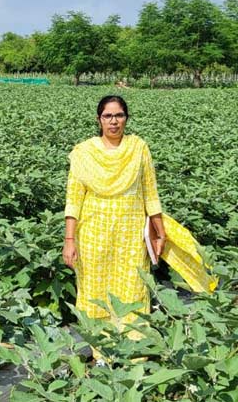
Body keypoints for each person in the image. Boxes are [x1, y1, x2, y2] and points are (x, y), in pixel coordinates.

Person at [62, 95, 216, 356]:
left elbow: (150, 193)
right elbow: (74, 198)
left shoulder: (138, 148)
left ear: (126, 118)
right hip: (93, 233)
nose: (114, 121)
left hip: (130, 233)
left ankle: (135, 351)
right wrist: (69, 240)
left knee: (133, 286)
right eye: (108, 116)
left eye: (119, 115)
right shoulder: (84, 152)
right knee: (94, 290)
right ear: (99, 119)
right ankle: (102, 353)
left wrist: (159, 231)